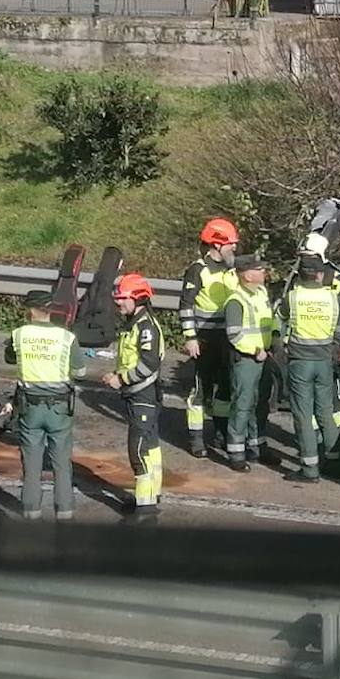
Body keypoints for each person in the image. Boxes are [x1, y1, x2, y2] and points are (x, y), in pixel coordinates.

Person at [4, 290, 86, 520]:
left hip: (29, 406)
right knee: (61, 463)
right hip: (59, 407)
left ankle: (31, 513)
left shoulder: (19, 334)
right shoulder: (66, 337)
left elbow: (9, 357)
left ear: (30, 310)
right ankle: (65, 513)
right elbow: (80, 371)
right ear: (50, 310)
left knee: (31, 464)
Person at [278, 255, 340, 483]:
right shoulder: (332, 298)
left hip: (300, 361)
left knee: (302, 414)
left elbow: (279, 323)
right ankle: (333, 462)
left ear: (300, 275)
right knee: (325, 412)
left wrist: (282, 345)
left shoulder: (293, 297)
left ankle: (309, 469)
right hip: (324, 362)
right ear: (320, 275)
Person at [103, 274, 167, 518]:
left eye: (123, 298)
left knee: (138, 449)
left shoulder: (145, 326)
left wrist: (121, 379)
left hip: (144, 395)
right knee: (149, 446)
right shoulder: (134, 322)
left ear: (138, 298)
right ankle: (149, 497)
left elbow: (148, 364)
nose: (118, 303)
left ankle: (146, 507)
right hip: (138, 394)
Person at [179, 218, 240, 458]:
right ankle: (195, 438)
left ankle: (221, 432)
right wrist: (190, 337)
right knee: (200, 389)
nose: (234, 248)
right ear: (216, 244)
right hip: (204, 337)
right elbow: (185, 305)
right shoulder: (198, 269)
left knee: (225, 388)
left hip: (227, 338)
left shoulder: (231, 269)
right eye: (230, 244)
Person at [297, 233, 340, 446]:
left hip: (330, 347)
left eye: (309, 255)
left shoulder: (337, 280)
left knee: (332, 399)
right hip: (304, 348)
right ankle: (314, 443)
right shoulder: (299, 277)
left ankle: (337, 442)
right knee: (310, 401)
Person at [223, 255, 277, 472]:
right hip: (247, 360)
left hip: (264, 357)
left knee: (260, 404)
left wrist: (275, 337)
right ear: (247, 275)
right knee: (242, 404)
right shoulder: (236, 301)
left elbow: (270, 319)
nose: (264, 273)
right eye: (260, 269)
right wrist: (256, 351)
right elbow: (234, 335)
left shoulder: (262, 293)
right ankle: (236, 452)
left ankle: (257, 447)